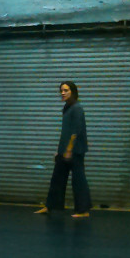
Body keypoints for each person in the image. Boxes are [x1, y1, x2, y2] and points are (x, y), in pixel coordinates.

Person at [35, 82, 92, 217]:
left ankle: (83, 210)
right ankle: (50, 206)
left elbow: (76, 131)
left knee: (78, 180)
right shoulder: (67, 107)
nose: (62, 93)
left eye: (66, 90)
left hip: (76, 150)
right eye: (61, 90)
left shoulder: (77, 108)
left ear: (73, 92)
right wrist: (60, 149)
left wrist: (69, 149)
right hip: (64, 150)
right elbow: (65, 131)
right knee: (57, 178)